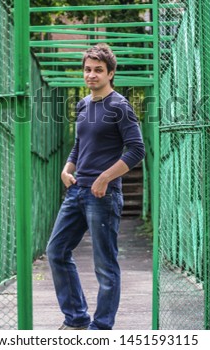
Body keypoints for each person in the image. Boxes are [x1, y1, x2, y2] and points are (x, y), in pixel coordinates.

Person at [46, 43, 145, 330]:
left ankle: (101, 328)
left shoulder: (120, 106)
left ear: (110, 73)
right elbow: (80, 144)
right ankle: (76, 317)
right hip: (76, 190)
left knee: (105, 265)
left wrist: (106, 177)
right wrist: (67, 167)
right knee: (56, 251)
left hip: (103, 194)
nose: (91, 75)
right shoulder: (83, 104)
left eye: (98, 70)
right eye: (87, 70)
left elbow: (136, 149)